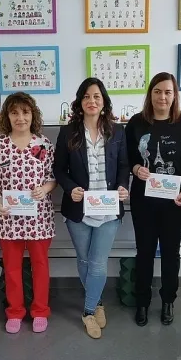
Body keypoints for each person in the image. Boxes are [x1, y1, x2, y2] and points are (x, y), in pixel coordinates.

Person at [53, 77, 129, 339]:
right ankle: (97, 303)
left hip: (108, 209)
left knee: (97, 263)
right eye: (86, 96)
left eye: (96, 96)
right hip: (79, 210)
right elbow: (58, 169)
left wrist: (122, 186)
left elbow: (123, 166)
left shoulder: (117, 132)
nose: (92, 101)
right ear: (80, 102)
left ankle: (87, 312)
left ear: (104, 101)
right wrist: (70, 187)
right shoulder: (68, 132)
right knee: (84, 260)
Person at [125, 72, 181, 327]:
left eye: (168, 92)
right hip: (143, 201)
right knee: (144, 252)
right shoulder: (136, 123)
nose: (163, 97)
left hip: (175, 202)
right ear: (150, 94)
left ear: (174, 95)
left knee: (170, 252)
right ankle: (142, 302)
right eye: (157, 91)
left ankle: (168, 300)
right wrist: (136, 168)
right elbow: (127, 157)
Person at [0, 92, 56, 334]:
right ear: (7, 116)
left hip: (39, 218)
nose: (20, 117)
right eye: (14, 112)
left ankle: (40, 310)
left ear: (33, 114)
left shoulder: (43, 145)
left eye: (25, 112)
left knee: (40, 266)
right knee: (12, 268)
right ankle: (14, 311)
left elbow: (52, 178)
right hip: (8, 217)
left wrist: (44, 189)